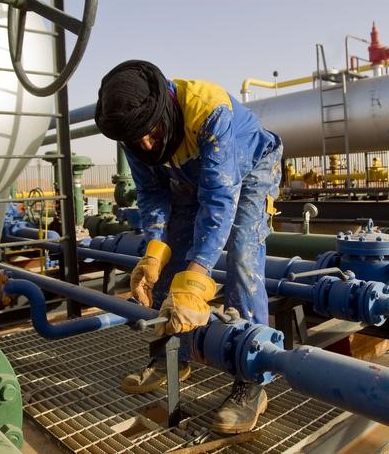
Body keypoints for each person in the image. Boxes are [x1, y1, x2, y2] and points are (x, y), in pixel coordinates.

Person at [94, 60, 282, 434]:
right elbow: (151, 195)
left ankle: (254, 379)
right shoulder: (134, 133)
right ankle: (169, 357)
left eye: (151, 133)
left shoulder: (208, 111)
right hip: (192, 177)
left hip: (250, 170)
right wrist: (153, 253)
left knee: (244, 258)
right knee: (167, 264)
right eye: (136, 140)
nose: (146, 145)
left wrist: (197, 278)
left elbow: (219, 200)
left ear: (165, 108)